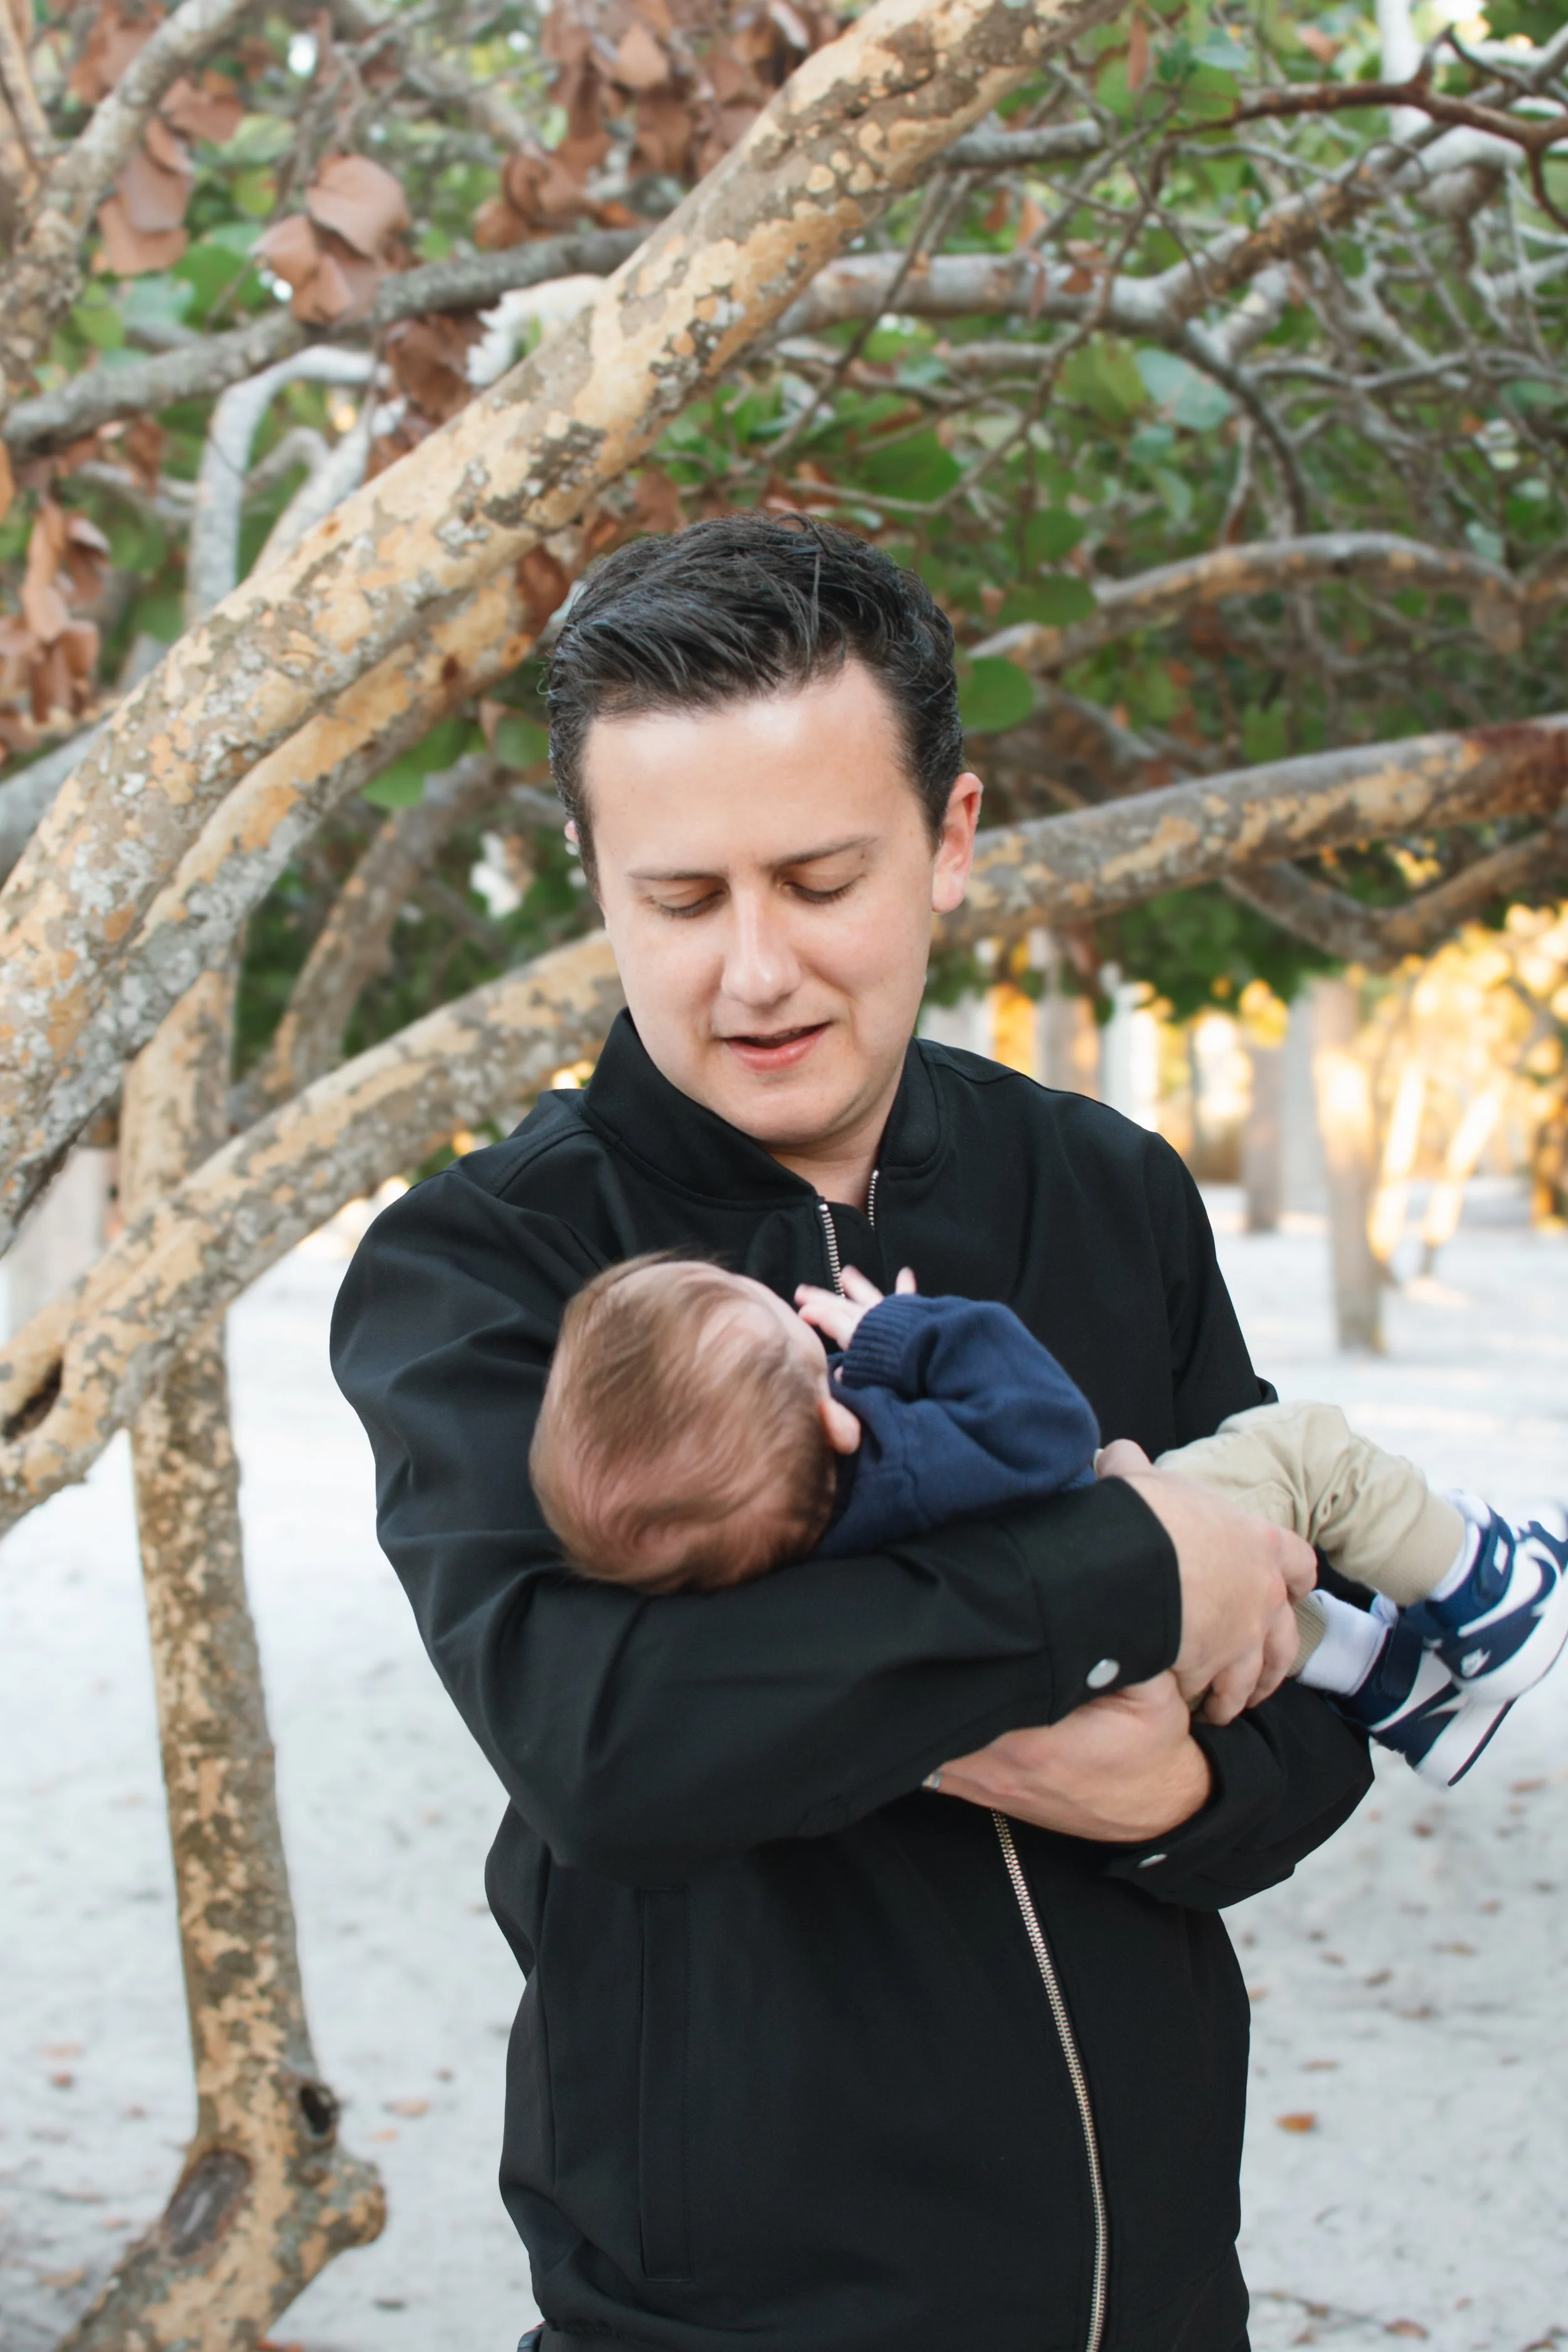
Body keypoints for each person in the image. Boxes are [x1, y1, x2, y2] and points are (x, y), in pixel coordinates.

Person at [332, 513, 1370, 2352]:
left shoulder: (1106, 1189)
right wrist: (1129, 1569)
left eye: (819, 879)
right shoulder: (482, 1261)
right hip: (711, 2317)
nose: (754, 972)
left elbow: (1317, 1685)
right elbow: (616, 1739)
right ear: (591, 877)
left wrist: (1186, 1796)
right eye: (679, 897)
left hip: (1155, 2299)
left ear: (952, 839)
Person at [528, 1251, 1568, 1788]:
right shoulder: (904, 1464)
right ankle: (1487, 1591)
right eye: (799, 1336)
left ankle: (1405, 1694)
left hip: (1100, 1656)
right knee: (1307, 1450)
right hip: (1133, 1568)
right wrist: (901, 1334)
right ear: (831, 1425)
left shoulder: (806, 1555)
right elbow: (1045, 1421)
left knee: (1263, 1595)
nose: (821, 1329)